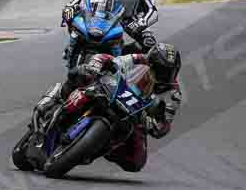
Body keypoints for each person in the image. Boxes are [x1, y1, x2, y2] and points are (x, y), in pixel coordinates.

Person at [33, 43, 182, 173]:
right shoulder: (139, 59)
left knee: (136, 162)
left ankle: (100, 145)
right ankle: (55, 98)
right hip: (113, 90)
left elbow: (165, 124)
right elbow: (111, 60)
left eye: (169, 72)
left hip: (136, 114)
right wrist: (95, 66)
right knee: (80, 74)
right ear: (151, 62)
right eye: (160, 69)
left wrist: (153, 124)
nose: (164, 75)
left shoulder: (173, 94)